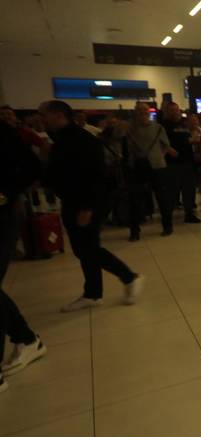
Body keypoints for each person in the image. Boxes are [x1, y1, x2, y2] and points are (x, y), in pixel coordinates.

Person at [40, 100, 144, 312]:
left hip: (86, 203)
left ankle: (128, 277)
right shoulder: (62, 139)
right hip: (74, 201)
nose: (42, 120)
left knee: (86, 248)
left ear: (58, 115)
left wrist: (87, 207)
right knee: (84, 248)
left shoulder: (82, 140)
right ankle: (93, 293)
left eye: (45, 115)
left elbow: (95, 175)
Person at [0, 116, 46, 392]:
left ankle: (26, 339)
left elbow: (31, 166)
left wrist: (9, 193)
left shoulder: (5, 133)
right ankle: (26, 338)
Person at [126, 102, 173, 240]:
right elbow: (128, 148)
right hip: (139, 167)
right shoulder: (130, 129)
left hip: (157, 166)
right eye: (140, 111)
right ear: (135, 113)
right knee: (136, 200)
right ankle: (134, 230)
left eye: (145, 111)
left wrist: (158, 156)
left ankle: (167, 226)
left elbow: (166, 145)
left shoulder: (158, 127)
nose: (143, 114)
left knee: (162, 198)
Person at [161, 102, 201, 224]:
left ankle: (189, 213)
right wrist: (168, 149)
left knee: (189, 189)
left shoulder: (185, 123)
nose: (174, 112)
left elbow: (194, 134)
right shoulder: (163, 125)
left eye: (176, 110)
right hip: (172, 163)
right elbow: (159, 141)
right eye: (171, 110)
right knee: (172, 190)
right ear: (167, 111)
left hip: (188, 161)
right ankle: (167, 216)